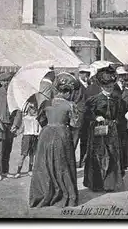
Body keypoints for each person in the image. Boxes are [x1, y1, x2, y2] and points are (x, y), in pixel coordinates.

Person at [29, 73, 79, 208]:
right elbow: (75, 124)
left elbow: (40, 119)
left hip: (46, 134)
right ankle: (65, 195)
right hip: (62, 134)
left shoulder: (46, 103)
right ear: (68, 92)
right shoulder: (71, 105)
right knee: (62, 165)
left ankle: (45, 194)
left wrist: (49, 125)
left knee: (44, 165)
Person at [83, 66, 125, 192]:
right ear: (102, 87)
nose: (110, 90)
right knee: (98, 155)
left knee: (112, 154)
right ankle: (96, 184)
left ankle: (110, 184)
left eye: (111, 87)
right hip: (98, 130)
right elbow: (86, 114)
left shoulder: (117, 99)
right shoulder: (94, 100)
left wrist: (116, 121)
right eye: (107, 87)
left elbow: (120, 114)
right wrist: (96, 117)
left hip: (112, 131)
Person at [11, 96, 41, 178]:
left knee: (32, 155)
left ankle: (30, 170)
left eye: (35, 108)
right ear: (28, 109)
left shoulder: (36, 119)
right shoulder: (25, 119)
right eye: (32, 108)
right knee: (23, 155)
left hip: (34, 137)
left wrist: (39, 134)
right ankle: (18, 171)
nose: (34, 110)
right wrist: (16, 133)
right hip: (27, 137)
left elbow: (39, 129)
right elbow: (22, 129)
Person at [76, 64, 91, 168]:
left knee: (85, 140)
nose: (87, 75)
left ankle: (83, 160)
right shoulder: (77, 85)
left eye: (88, 73)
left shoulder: (88, 85)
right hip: (79, 116)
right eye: (86, 73)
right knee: (75, 139)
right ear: (80, 74)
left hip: (87, 117)